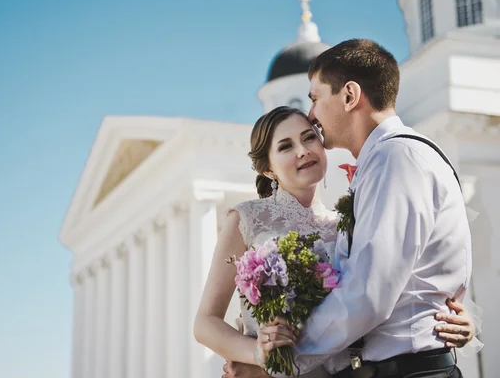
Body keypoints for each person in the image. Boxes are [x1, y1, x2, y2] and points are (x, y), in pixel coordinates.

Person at [249, 39, 479, 378]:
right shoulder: (389, 160)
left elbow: (369, 294)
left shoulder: (395, 159)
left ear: (349, 95)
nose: (311, 115)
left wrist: (283, 357)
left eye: (315, 98)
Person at [193, 104, 477, 378]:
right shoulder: (247, 218)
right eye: (286, 146)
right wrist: (258, 354)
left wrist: (451, 319)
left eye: (309, 138)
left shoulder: (345, 222)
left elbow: (379, 290)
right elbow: (205, 323)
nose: (303, 151)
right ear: (268, 169)